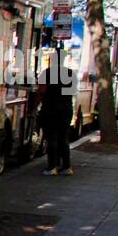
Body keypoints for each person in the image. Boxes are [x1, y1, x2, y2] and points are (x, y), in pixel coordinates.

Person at [36, 46, 73, 176]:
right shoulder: (70, 73)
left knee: (51, 137)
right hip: (66, 110)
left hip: (51, 110)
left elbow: (41, 91)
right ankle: (66, 166)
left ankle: (52, 166)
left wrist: (36, 105)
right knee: (63, 138)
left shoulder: (47, 73)